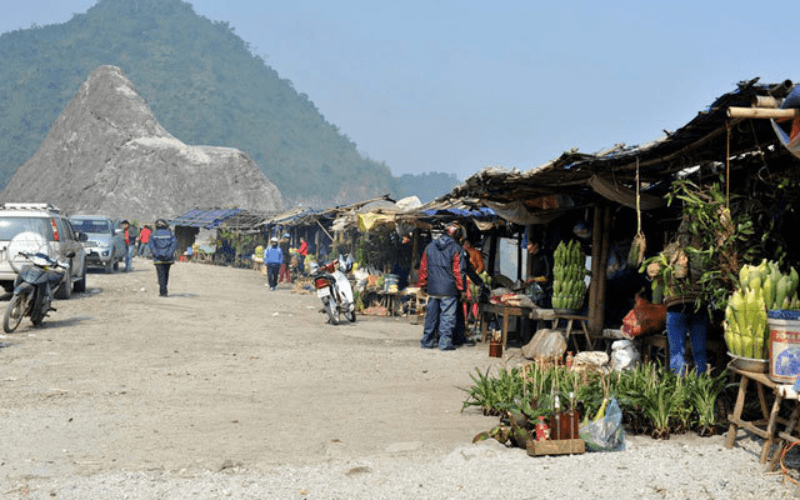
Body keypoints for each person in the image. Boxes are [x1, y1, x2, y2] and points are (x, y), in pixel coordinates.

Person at [417, 223, 467, 351]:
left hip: (433, 288)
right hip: (449, 289)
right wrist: (462, 289)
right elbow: (458, 271)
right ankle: (444, 343)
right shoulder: (457, 248)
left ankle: (427, 341)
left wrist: (422, 284)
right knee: (447, 316)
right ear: (457, 235)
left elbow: (423, 268)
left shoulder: (429, 247)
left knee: (431, 315)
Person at [148, 219, 178, 297]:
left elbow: (152, 246)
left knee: (160, 274)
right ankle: (164, 289)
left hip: (158, 259)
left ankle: (163, 292)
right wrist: (169, 253)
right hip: (168, 259)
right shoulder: (171, 234)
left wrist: (157, 254)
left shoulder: (153, 234)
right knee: (166, 274)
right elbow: (174, 245)